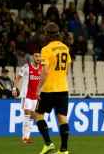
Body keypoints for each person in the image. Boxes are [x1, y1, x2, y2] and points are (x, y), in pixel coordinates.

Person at [35, 22, 72, 154]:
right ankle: (64, 150)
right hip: (63, 88)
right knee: (62, 118)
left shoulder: (46, 49)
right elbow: (67, 70)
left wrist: (38, 88)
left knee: (38, 115)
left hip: (49, 89)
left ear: (47, 35)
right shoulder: (65, 48)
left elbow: (44, 71)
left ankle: (48, 143)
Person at [12, 52, 42, 144]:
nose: (38, 58)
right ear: (33, 57)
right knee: (27, 115)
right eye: (36, 56)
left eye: (39, 56)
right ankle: (25, 137)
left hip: (35, 96)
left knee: (31, 117)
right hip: (26, 95)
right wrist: (14, 88)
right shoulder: (26, 67)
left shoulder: (42, 68)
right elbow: (17, 78)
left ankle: (27, 136)